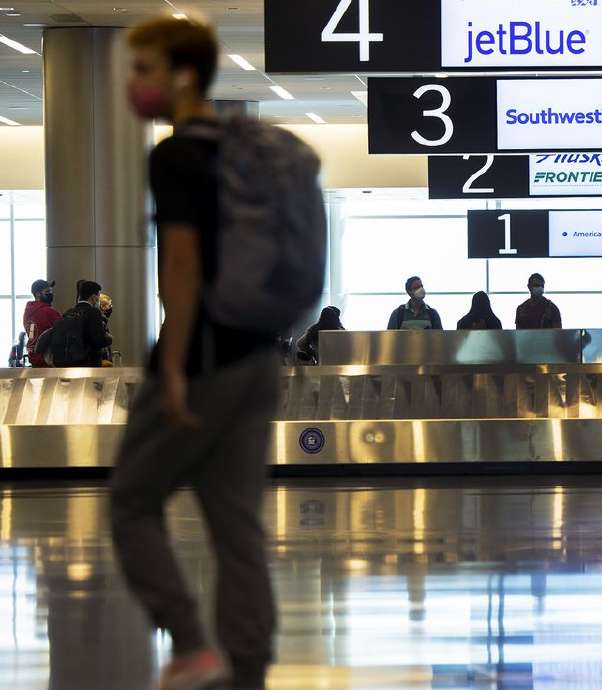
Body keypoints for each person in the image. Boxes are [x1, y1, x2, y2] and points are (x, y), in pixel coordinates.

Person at [109, 17, 305, 690]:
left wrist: (172, 365)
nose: (134, 84)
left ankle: (191, 642)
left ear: (183, 75)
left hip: (207, 359)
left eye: (144, 69)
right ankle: (246, 670)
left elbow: (183, 263)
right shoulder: (241, 150)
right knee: (236, 526)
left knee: (132, 501)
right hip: (259, 358)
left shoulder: (175, 156)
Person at [50, 280, 112, 367]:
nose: (98, 300)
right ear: (93, 297)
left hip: (66, 365)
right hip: (87, 364)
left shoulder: (68, 313)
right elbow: (98, 340)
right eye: (98, 296)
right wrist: (108, 338)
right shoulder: (93, 312)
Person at [23, 279, 59, 367]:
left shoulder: (28, 312)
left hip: (33, 356)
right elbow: (62, 331)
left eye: (51, 291)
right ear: (38, 294)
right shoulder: (49, 312)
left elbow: (32, 334)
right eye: (47, 292)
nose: (51, 294)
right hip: (47, 359)